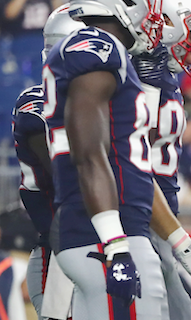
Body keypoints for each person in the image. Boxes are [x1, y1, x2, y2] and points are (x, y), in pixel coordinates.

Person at [41, 0, 169, 317]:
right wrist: (116, 245)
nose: (154, 18)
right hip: (104, 236)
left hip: (111, 230)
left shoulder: (111, 53)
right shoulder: (97, 46)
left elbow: (127, 154)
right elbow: (88, 152)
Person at [131, 0, 191, 318]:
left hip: (160, 220)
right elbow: (131, 160)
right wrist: (179, 239)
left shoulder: (168, 79)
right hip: (139, 219)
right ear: (172, 23)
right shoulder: (138, 72)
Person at [12, 5, 84, 319]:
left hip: (100, 246)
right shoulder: (35, 107)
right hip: (58, 253)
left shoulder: (108, 102)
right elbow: (70, 180)